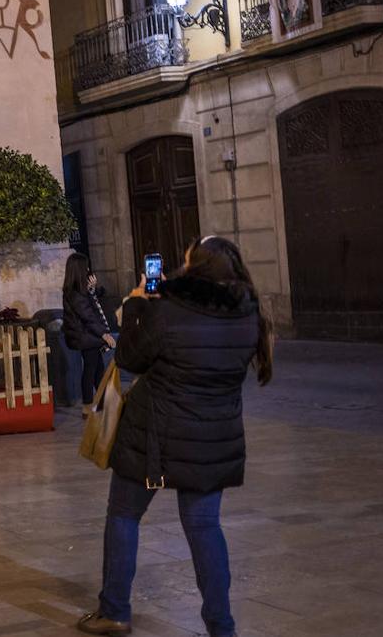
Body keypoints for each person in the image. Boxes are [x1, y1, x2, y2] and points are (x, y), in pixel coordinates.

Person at [77, 236, 273, 637]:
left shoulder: (167, 309)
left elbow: (130, 359)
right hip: (213, 440)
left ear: (194, 266)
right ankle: (222, 627)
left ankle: (114, 610)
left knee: (124, 514)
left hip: (155, 436)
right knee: (205, 526)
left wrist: (136, 305)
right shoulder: (248, 314)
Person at [62, 253, 115, 405]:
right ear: (79, 269)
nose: (88, 270)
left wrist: (92, 289)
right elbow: (88, 316)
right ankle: (89, 405)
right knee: (91, 371)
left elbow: (93, 305)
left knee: (97, 370)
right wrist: (104, 334)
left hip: (89, 336)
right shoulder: (74, 293)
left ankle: (102, 403)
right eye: (85, 267)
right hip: (86, 337)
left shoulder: (79, 290)